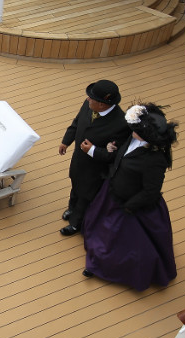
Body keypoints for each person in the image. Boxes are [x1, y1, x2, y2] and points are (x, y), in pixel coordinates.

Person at [81, 102, 178, 291]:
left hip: (132, 207)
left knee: (125, 245)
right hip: (113, 193)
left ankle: (103, 266)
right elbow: (121, 158)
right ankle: (97, 259)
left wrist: (130, 207)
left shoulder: (155, 161)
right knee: (103, 229)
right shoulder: (131, 139)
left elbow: (151, 191)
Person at [58, 80, 131, 236]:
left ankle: (76, 223)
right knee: (75, 185)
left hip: (95, 170)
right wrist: (66, 141)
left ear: (102, 105)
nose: (87, 99)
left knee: (86, 195)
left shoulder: (121, 124)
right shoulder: (89, 105)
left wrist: (92, 150)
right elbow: (76, 123)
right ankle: (72, 208)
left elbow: (114, 156)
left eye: (91, 98)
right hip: (79, 161)